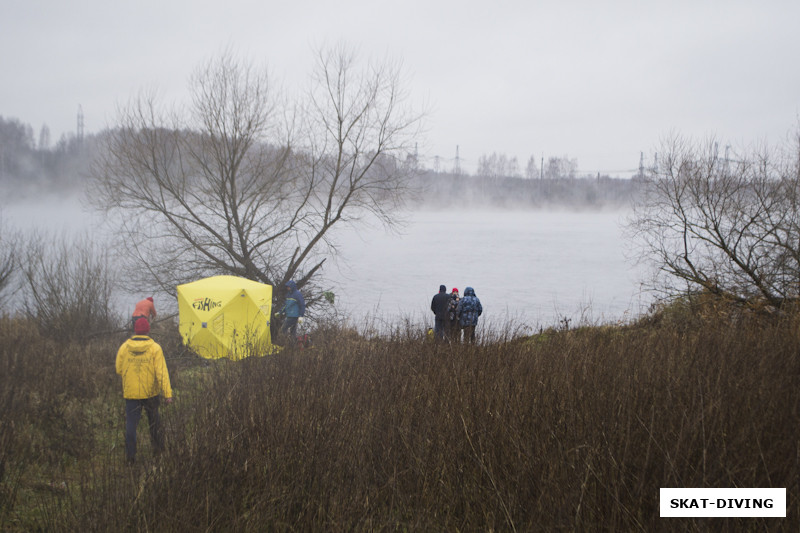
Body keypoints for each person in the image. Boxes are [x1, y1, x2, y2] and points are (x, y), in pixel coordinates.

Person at [116, 317, 173, 464]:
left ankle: (130, 457)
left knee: (131, 425)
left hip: (131, 393)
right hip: (150, 393)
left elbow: (118, 369)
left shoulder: (124, 347)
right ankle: (158, 451)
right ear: (148, 330)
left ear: (135, 330)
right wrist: (167, 394)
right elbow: (161, 372)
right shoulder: (155, 348)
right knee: (154, 422)